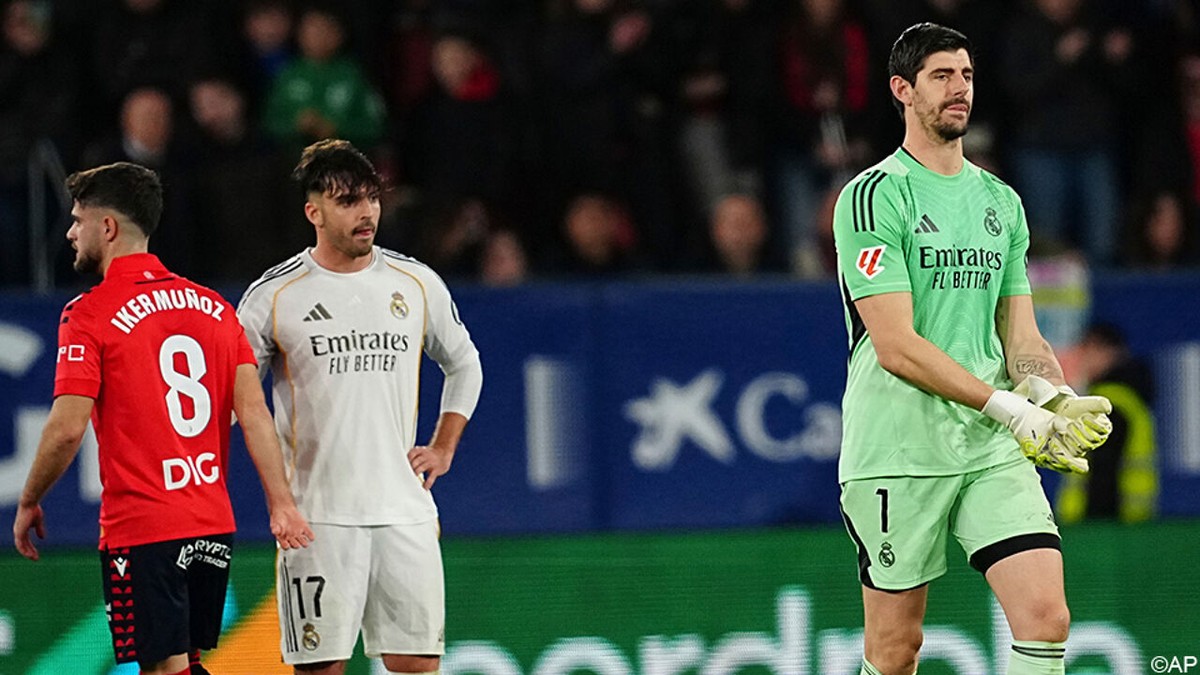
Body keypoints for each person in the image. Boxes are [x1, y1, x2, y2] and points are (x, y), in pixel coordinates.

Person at [831, 24, 1113, 675]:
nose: (960, 89)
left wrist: (1047, 390)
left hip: (988, 450)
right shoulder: (874, 196)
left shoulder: (1001, 203)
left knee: (1047, 617)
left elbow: (1021, 336)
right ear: (902, 89)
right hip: (898, 449)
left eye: (966, 75)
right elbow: (896, 345)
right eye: (941, 76)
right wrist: (1010, 409)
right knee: (895, 650)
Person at [11, 161, 313, 675]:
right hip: (212, 524)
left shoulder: (89, 314)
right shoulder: (216, 308)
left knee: (161, 669)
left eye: (78, 219)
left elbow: (66, 429)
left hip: (144, 530)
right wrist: (280, 504)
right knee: (183, 663)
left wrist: (30, 498)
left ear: (107, 228)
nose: (70, 232)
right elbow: (254, 412)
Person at [236, 139, 483, 674]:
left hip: (405, 513)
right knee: (322, 669)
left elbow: (465, 363)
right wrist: (277, 496)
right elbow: (237, 399)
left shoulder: (415, 283)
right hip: (318, 517)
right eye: (347, 200)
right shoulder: (274, 296)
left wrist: (443, 446)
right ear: (314, 211)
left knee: (416, 664)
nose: (366, 212)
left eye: (371, 198)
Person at [1057, 323, 1158, 523]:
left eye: (1087, 349)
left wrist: (1093, 524)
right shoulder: (1130, 402)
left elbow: (1102, 475)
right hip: (1130, 523)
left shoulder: (1107, 405)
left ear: (1107, 352)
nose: (1082, 359)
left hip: (1102, 528)